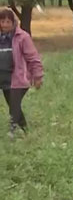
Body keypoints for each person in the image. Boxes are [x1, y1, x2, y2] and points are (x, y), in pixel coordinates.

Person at [0, 9, 43, 138]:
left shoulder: (22, 37)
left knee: (14, 104)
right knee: (13, 105)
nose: (5, 24)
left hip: (18, 78)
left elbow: (32, 57)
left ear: (14, 23)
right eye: (2, 21)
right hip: (3, 78)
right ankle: (25, 131)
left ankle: (12, 131)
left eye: (8, 21)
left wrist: (38, 76)